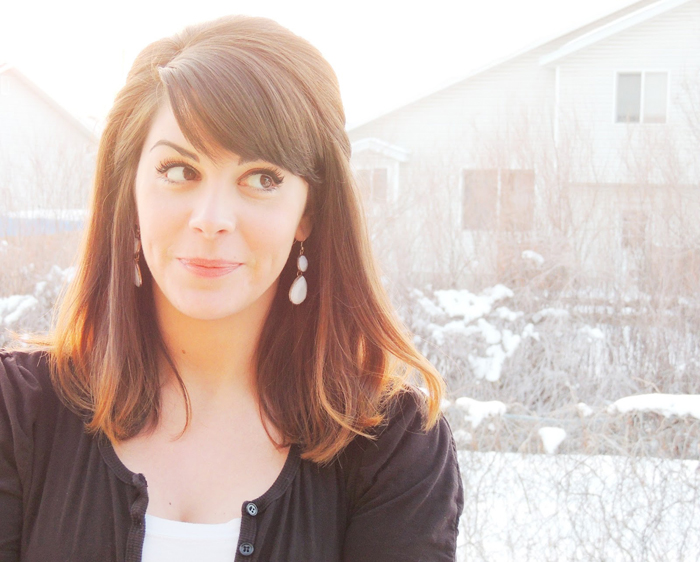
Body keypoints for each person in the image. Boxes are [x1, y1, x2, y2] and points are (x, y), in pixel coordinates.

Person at [0, 15, 463, 562]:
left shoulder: (392, 447)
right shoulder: (18, 413)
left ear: (309, 211)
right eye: (179, 170)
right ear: (129, 190)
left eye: (262, 178)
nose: (212, 219)